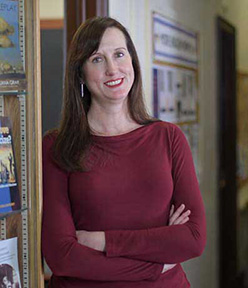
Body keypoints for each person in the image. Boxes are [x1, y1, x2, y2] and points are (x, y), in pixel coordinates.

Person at [42, 16, 206, 288]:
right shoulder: (57, 146)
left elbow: (193, 238)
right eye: (97, 59)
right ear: (80, 73)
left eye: (119, 54)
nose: (112, 69)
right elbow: (63, 258)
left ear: (132, 62)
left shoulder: (168, 138)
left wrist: (104, 241)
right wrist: (157, 261)